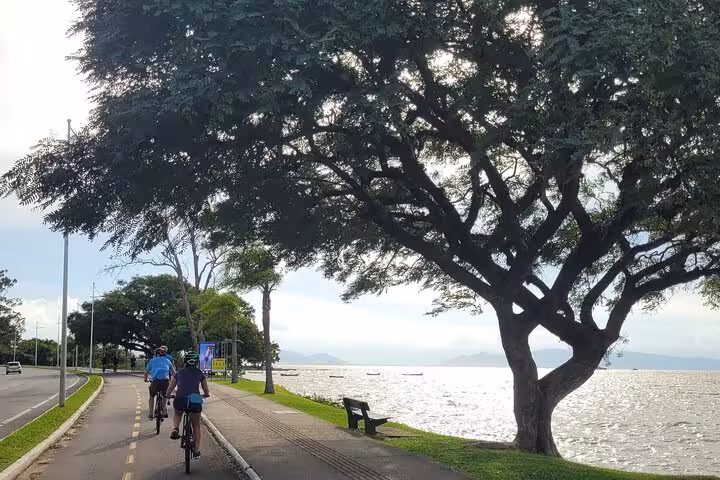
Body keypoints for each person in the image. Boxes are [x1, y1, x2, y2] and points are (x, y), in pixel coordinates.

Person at [165, 352, 210, 459]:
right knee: (196, 425)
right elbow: (206, 390)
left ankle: (176, 428)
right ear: (196, 362)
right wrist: (206, 394)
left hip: (180, 397)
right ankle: (197, 450)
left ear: (185, 361)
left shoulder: (179, 373)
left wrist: (168, 395)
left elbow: (171, 386)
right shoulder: (199, 373)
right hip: (195, 398)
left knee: (177, 412)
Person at [144, 347, 175, 420]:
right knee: (165, 395)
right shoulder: (168, 361)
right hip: (165, 381)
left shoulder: (152, 361)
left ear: (156, 354)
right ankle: (164, 409)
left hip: (155, 381)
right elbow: (173, 373)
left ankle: (151, 413)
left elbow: (146, 372)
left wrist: (146, 379)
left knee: (151, 396)